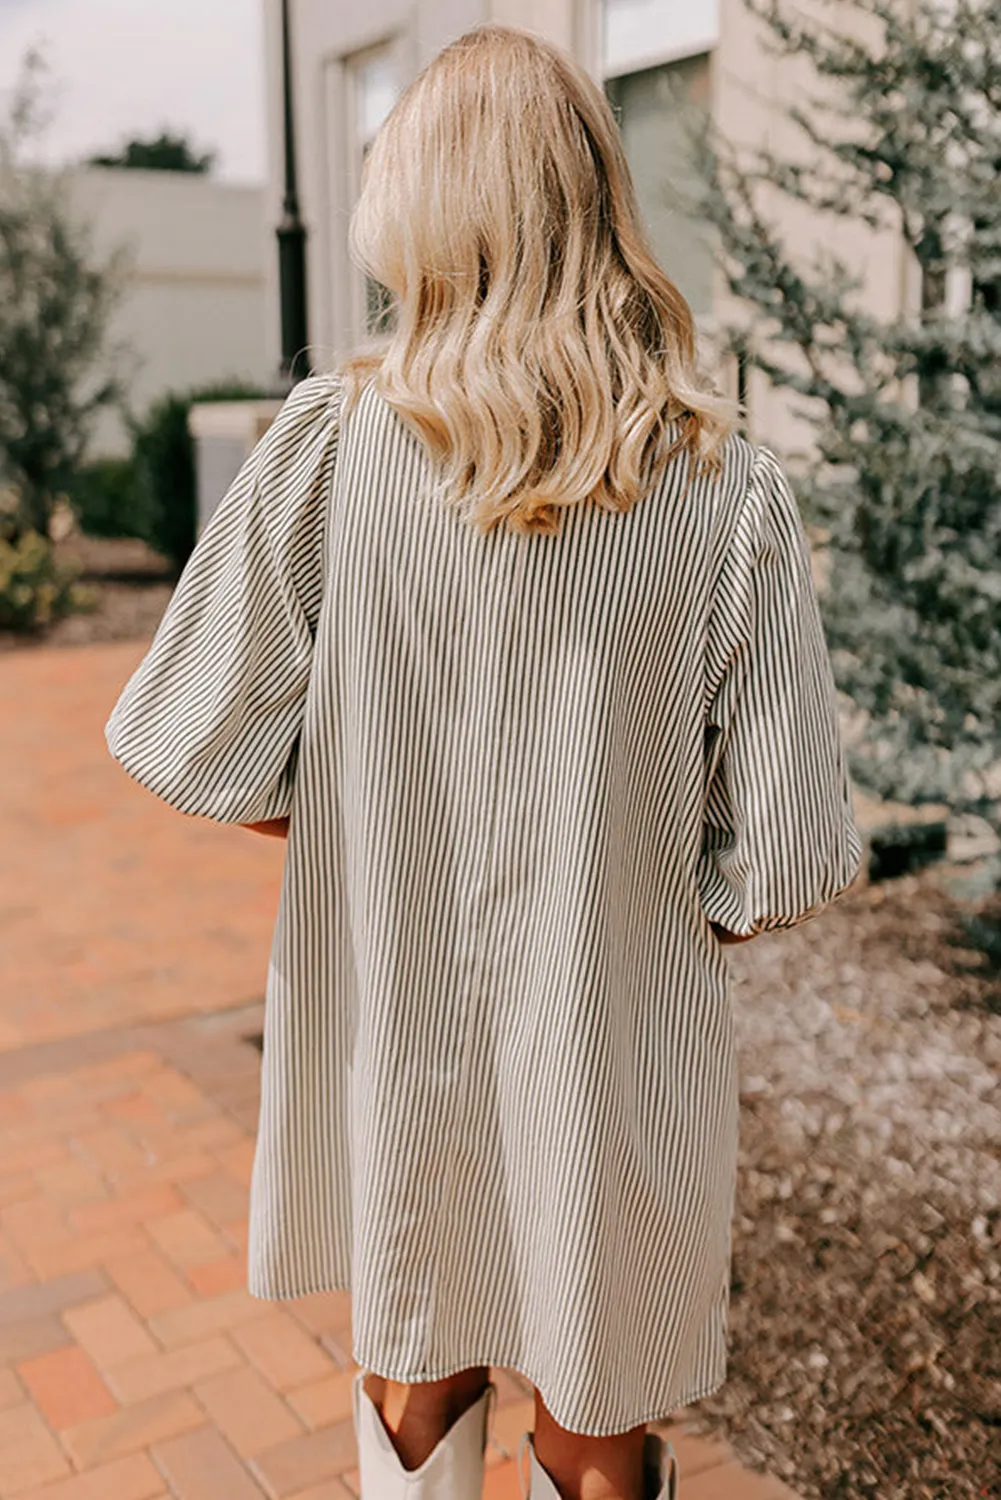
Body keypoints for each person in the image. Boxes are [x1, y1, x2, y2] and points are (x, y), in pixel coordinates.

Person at [105, 24, 862, 1500]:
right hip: (617, 1048)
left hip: (391, 1023)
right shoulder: (728, 487)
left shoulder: (332, 446)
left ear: (424, 206)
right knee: (599, 1413)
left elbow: (188, 730)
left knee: (413, 1368)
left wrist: (367, 831)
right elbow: (780, 854)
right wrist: (634, 895)